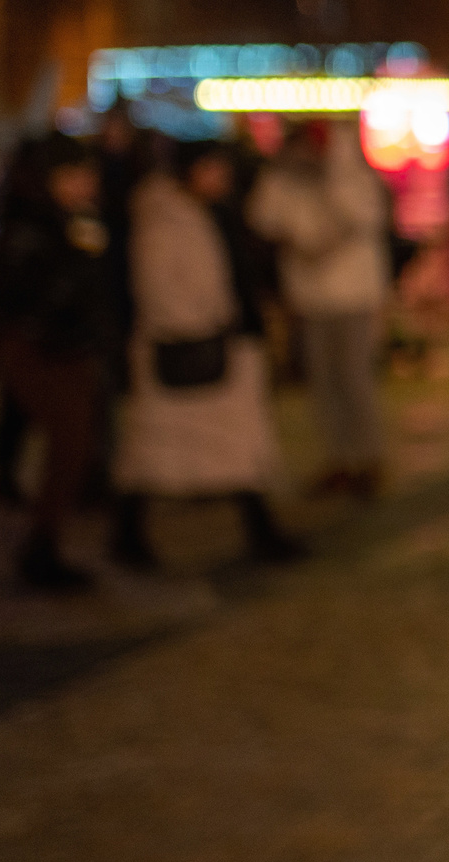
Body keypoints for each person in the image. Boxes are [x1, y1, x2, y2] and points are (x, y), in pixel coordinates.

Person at [109, 144, 303, 569]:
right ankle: (128, 534)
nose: (222, 178)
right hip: (189, 350)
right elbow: (160, 289)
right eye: (213, 169)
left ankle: (259, 529)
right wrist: (204, 323)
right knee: (161, 451)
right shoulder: (165, 219)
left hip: (214, 349)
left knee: (230, 450)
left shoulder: (201, 212)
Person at [0, 134, 120, 590]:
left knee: (76, 444)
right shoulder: (29, 228)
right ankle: (40, 547)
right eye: (72, 175)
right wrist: (77, 257)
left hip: (72, 346)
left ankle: (45, 541)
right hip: (41, 349)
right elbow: (27, 298)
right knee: (69, 444)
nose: (84, 183)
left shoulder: (74, 220)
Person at [248, 119, 390, 497]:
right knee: (324, 383)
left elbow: (362, 214)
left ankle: (367, 459)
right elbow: (263, 218)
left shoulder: (352, 177)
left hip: (352, 296)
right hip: (310, 297)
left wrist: (333, 178)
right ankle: (339, 458)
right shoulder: (285, 178)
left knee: (354, 378)